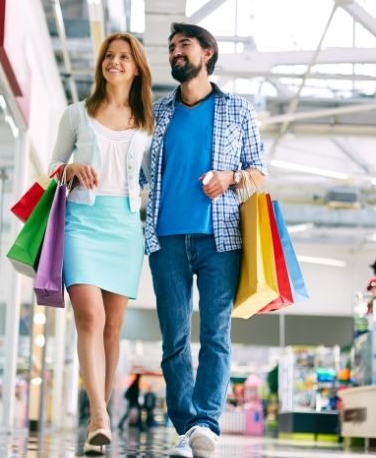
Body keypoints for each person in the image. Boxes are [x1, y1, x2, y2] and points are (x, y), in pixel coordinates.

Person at [143, 22, 267, 458]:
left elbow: (259, 173)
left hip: (222, 239)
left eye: (185, 45)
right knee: (174, 340)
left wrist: (230, 177)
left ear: (207, 53)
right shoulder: (157, 112)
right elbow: (142, 173)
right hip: (166, 240)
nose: (176, 52)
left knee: (216, 335)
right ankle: (185, 427)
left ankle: (207, 425)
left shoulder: (238, 110)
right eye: (171, 46)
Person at [47, 32, 154, 456]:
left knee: (113, 327)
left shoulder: (147, 121)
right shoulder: (77, 113)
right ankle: (97, 416)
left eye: (124, 57)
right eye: (110, 56)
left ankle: (102, 414)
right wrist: (70, 167)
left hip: (125, 227)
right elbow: (53, 165)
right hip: (82, 223)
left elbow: (155, 175)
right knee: (88, 316)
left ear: (136, 68)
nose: (115, 62)